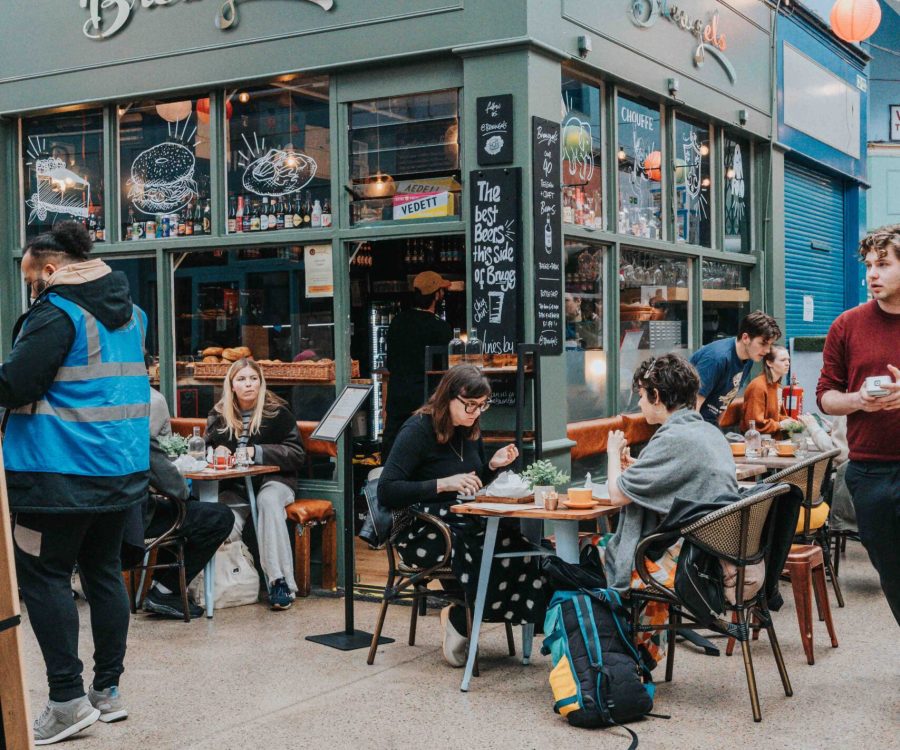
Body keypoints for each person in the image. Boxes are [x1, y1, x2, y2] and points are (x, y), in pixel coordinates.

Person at [0, 222, 149, 744]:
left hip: (56, 474)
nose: (31, 285)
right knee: (104, 573)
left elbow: (15, 384)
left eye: (31, 275)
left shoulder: (56, 313)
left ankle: (66, 700)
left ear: (51, 268)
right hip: (120, 472)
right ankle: (106, 692)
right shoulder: (133, 314)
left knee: (44, 578)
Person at [378, 365, 542, 668]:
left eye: (482, 406)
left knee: (514, 545)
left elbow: (471, 481)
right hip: (421, 527)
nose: (476, 412)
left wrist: (491, 467)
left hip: (460, 519)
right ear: (448, 397)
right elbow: (387, 490)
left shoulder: (469, 431)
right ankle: (463, 615)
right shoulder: (417, 429)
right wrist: (443, 484)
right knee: (476, 547)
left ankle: (463, 616)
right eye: (470, 405)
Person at [602, 354, 739, 666]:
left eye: (640, 395)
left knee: (595, 554)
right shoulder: (705, 431)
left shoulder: (675, 437)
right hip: (714, 554)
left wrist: (612, 454)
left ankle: (615, 660)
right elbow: (684, 482)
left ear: (658, 396)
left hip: (688, 566)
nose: (639, 404)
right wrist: (639, 470)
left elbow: (616, 495)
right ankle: (640, 653)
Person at [816, 224, 900, 626]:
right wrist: (858, 401)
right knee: (892, 576)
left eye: (883, 264)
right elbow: (826, 396)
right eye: (869, 265)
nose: (872, 273)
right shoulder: (846, 325)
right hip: (869, 472)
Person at [205, 358, 305, 610]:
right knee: (219, 516)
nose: (248, 384)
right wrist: (215, 452)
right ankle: (220, 585)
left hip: (275, 481)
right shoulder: (218, 415)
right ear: (231, 385)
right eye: (241, 379)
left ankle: (280, 582)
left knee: (268, 502)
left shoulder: (278, 412)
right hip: (235, 485)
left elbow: (296, 454)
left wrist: (255, 452)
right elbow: (207, 449)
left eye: (253, 379)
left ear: (261, 383)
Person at [131, 385, 234, 620]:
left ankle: (162, 589)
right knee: (218, 516)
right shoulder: (132, 425)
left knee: (179, 512)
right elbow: (174, 487)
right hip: (137, 520)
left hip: (94, 518)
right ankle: (165, 590)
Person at [382, 271, 454, 460]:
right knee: (423, 448)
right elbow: (445, 369)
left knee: (392, 447)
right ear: (437, 294)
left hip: (397, 397)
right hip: (426, 400)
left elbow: (390, 362)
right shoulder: (441, 328)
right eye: (441, 290)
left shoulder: (397, 322)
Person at [690, 310, 782, 426]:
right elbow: (693, 405)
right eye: (763, 343)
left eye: (770, 345)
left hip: (710, 424)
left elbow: (726, 400)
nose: (767, 350)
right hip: (690, 425)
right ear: (745, 338)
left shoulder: (748, 359)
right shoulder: (717, 358)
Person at [740, 345, 801, 436]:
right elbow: (754, 423)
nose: (787, 363)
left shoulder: (776, 386)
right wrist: (780, 425)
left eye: (788, 360)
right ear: (769, 363)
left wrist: (791, 421)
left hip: (773, 439)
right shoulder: (758, 386)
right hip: (757, 442)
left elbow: (775, 416)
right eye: (782, 360)